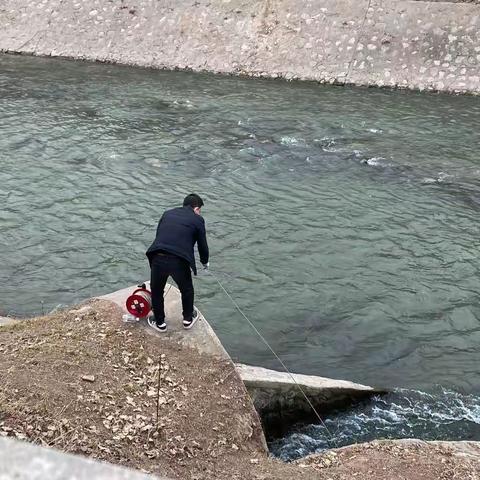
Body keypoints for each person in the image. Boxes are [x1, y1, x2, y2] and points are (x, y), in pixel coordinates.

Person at [146, 194, 209, 332]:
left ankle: (160, 322)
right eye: (200, 210)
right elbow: (202, 245)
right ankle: (187, 319)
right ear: (197, 208)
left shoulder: (167, 214)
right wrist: (205, 262)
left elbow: (160, 235)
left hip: (157, 255)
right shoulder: (198, 220)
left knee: (156, 291)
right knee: (186, 289)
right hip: (179, 260)